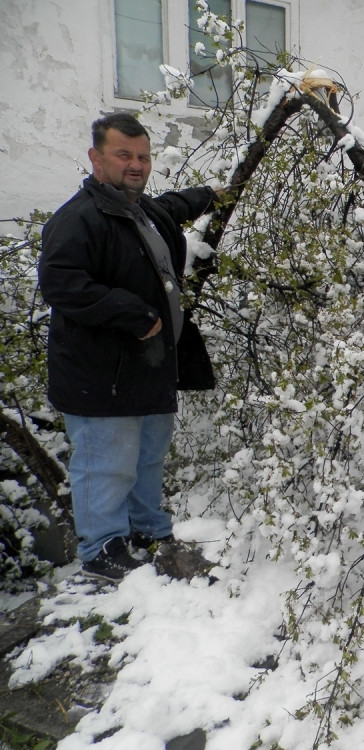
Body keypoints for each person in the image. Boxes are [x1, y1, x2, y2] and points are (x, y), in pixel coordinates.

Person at [38, 112, 220, 582]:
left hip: (149, 368)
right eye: (124, 155)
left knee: (147, 457)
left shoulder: (141, 210)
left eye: (142, 156)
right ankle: (102, 550)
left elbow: (174, 205)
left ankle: (147, 530)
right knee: (106, 464)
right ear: (96, 158)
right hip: (103, 376)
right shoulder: (79, 218)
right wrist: (133, 314)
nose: (135, 164)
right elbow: (61, 284)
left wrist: (212, 196)